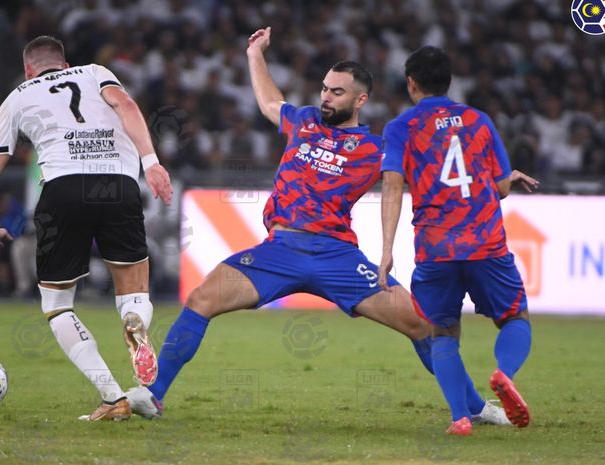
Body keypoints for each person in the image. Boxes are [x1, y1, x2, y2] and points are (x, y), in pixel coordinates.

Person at [128, 28, 509, 427]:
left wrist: (491, 175)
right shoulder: (304, 121)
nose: (326, 96)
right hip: (279, 250)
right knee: (202, 298)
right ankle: (153, 397)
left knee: (421, 323)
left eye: (337, 92)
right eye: (325, 89)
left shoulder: (376, 149)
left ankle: (475, 409)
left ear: (361, 100)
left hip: (337, 256)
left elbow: (436, 177)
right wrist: (255, 54)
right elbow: (270, 102)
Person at [0, 36, 173, 421]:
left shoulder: (17, 97)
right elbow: (127, 105)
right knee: (133, 287)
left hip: (62, 189)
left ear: (29, 69)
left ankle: (112, 396)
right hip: (118, 184)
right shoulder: (96, 73)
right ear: (65, 66)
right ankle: (135, 324)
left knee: (58, 305)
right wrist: (151, 162)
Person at [378, 46, 539, 436]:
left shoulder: (401, 127)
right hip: (485, 241)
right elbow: (500, 187)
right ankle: (504, 373)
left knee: (443, 331)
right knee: (514, 317)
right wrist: (505, 177)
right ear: (449, 81)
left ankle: (460, 419)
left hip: (437, 247)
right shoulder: (479, 120)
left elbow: (392, 186)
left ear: (411, 83)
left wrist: (386, 252)